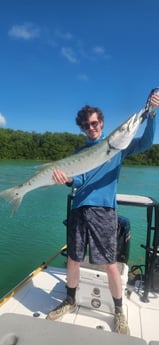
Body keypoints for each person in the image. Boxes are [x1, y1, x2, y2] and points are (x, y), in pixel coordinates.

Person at [47, 91, 159, 335]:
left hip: (105, 211)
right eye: (87, 125)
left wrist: (151, 114)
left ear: (102, 123)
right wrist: (67, 179)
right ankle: (69, 300)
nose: (91, 127)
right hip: (79, 208)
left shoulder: (119, 147)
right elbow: (79, 178)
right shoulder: (79, 153)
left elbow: (147, 142)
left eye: (95, 123)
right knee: (74, 260)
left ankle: (119, 312)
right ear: (83, 128)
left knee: (110, 264)